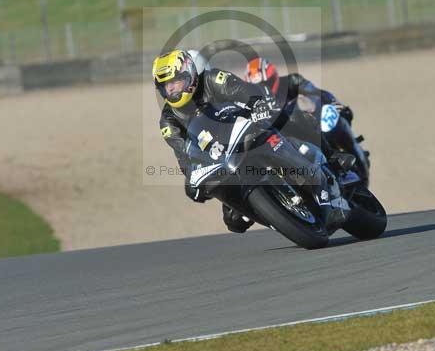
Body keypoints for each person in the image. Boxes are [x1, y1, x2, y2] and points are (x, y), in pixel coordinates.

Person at [153, 49, 346, 233]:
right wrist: (191, 179)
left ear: (190, 75)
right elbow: (183, 155)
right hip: (223, 157)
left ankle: (332, 156)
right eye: (166, 86)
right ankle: (282, 218)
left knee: (291, 117)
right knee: (233, 221)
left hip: (249, 127)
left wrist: (256, 103)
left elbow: (243, 90)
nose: (172, 89)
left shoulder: (212, 79)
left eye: (176, 81)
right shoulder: (168, 121)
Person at [244, 56, 368, 178]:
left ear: (274, 77)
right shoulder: (253, 104)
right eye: (258, 86)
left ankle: (354, 154)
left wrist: (333, 103)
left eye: (266, 83)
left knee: (335, 116)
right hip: (289, 139)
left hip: (314, 123)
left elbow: (317, 92)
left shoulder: (291, 81)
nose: (264, 88)